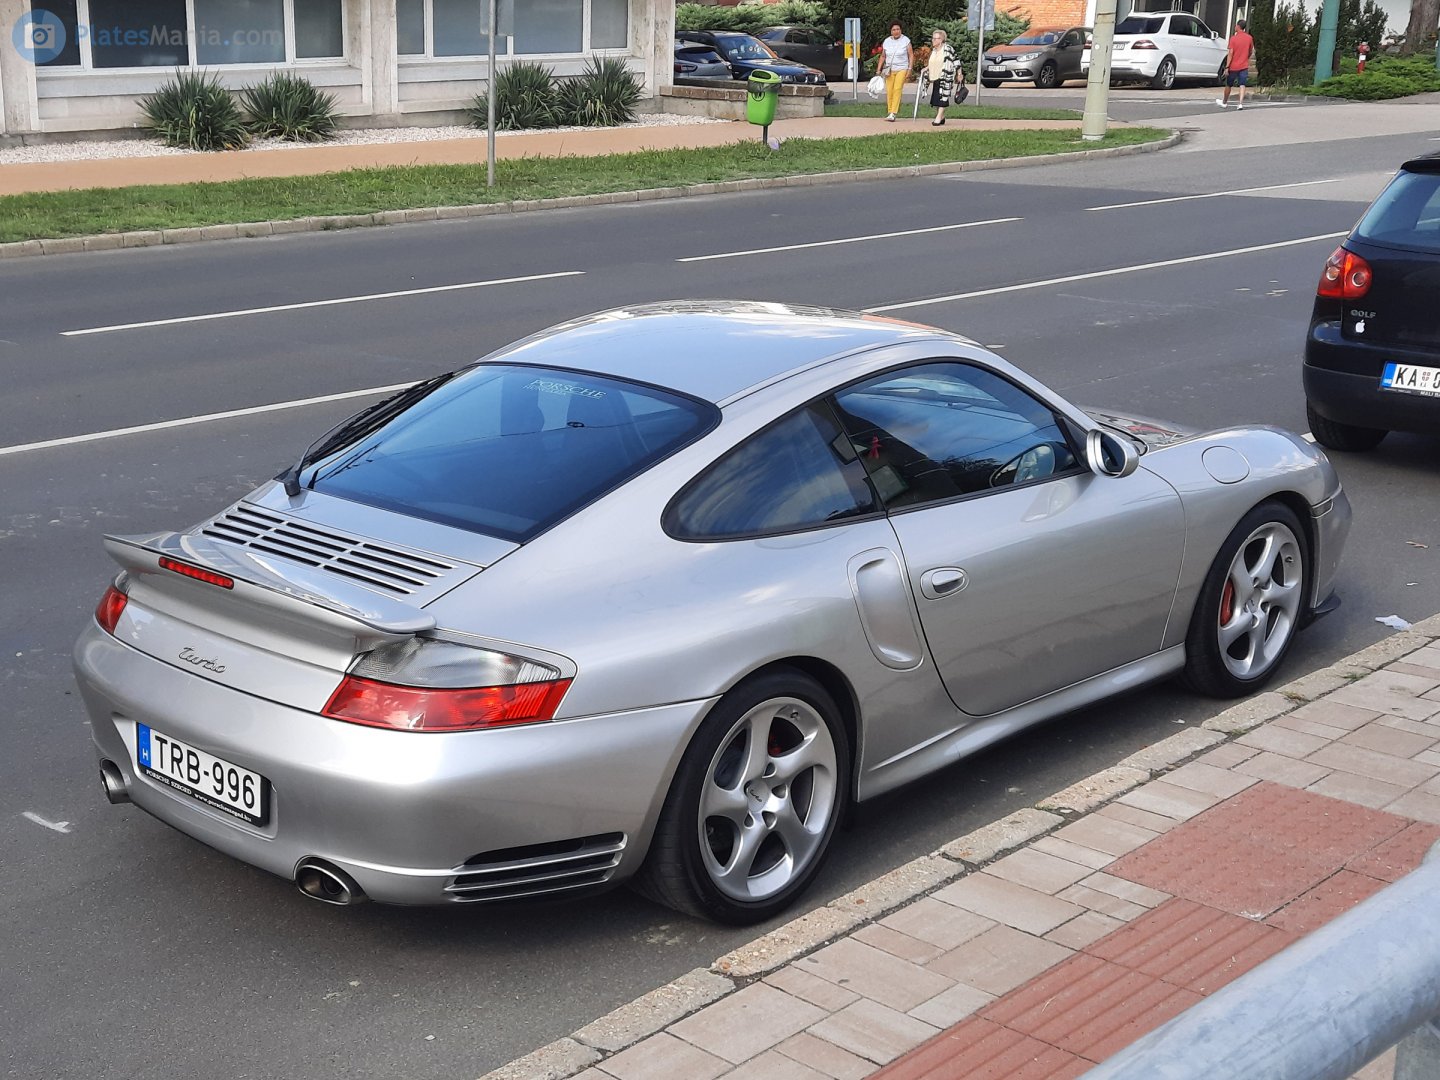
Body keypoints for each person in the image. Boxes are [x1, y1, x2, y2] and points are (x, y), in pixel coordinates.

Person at [878, 22, 913, 122]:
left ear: (901, 30)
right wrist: (878, 69)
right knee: (889, 90)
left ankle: (893, 112)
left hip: (902, 68)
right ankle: (890, 111)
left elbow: (911, 55)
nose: (896, 31)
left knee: (897, 89)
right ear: (891, 31)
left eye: (898, 29)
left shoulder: (906, 40)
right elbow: (883, 56)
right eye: (894, 30)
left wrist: (910, 69)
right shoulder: (887, 41)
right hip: (889, 69)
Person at [1217, 19, 1255, 109]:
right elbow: (1250, 51)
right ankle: (1240, 103)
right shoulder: (1249, 38)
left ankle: (1224, 102)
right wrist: (1246, 57)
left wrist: (1227, 66)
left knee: (1229, 84)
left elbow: (1230, 53)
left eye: (1235, 26)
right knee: (1242, 84)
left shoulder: (1233, 39)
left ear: (1238, 26)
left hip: (1233, 66)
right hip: (1244, 65)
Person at [927, 28, 960, 125]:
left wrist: (959, 73)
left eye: (936, 38)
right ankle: (942, 117)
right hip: (935, 77)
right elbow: (934, 63)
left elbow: (956, 61)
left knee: (943, 97)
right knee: (936, 99)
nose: (933, 40)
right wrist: (926, 68)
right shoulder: (934, 51)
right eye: (933, 38)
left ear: (941, 40)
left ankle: (938, 118)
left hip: (946, 77)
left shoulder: (948, 49)